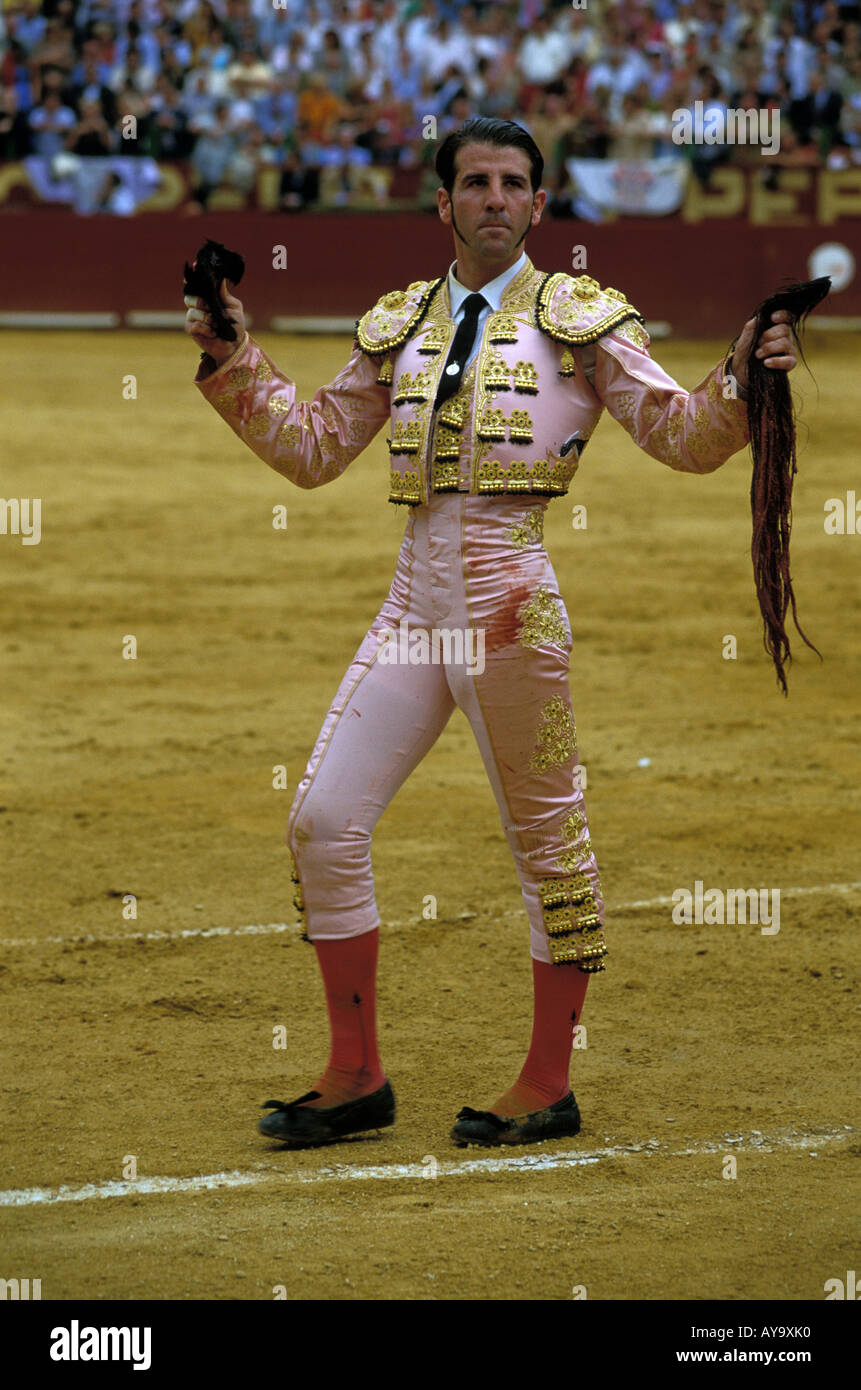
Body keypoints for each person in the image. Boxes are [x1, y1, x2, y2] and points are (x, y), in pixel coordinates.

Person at [184, 117, 798, 1151]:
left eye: (515, 182)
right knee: (322, 823)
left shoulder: (582, 319)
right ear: (444, 202)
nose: (496, 198)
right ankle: (356, 1072)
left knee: (548, 841)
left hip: (515, 611)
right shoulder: (402, 322)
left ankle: (548, 1082)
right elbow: (313, 447)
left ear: (541, 205)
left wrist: (744, 368)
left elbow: (687, 437)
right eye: (475, 182)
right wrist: (233, 352)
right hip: (415, 603)